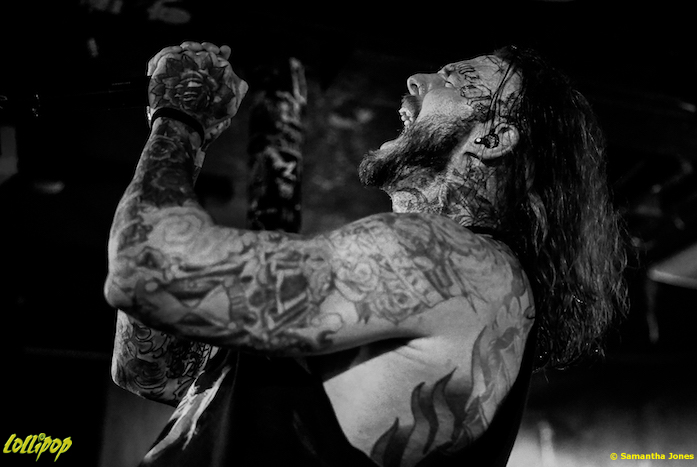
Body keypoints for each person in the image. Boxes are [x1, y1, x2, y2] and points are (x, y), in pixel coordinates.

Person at [104, 41, 628, 467]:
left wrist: (180, 116)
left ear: (494, 138)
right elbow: (149, 370)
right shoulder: (404, 283)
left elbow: (141, 267)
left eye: (453, 77)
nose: (416, 79)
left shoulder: (459, 264)